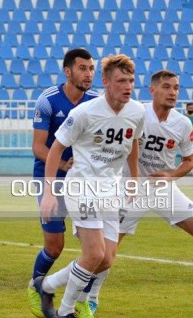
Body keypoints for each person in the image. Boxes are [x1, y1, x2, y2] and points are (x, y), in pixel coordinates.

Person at [34, 54, 145, 318]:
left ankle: (46, 285)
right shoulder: (84, 112)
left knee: (106, 259)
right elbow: (55, 149)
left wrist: (133, 180)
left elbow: (133, 144)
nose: (127, 86)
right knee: (94, 253)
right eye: (121, 81)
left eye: (130, 80)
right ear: (106, 82)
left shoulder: (137, 111)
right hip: (81, 187)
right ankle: (65, 311)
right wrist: (50, 192)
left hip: (110, 189)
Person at [87, 70, 193, 313]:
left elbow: (189, 159)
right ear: (152, 90)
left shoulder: (182, 123)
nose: (173, 92)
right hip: (130, 189)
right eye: (166, 87)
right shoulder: (136, 113)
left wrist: (171, 175)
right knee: (107, 253)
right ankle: (91, 297)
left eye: (176, 88)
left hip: (163, 188)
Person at [28, 49, 98, 318]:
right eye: (82, 68)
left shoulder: (96, 101)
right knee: (55, 245)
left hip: (83, 181)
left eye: (91, 68)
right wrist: (63, 165)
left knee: (94, 247)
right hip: (52, 178)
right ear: (67, 71)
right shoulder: (48, 100)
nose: (88, 74)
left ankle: (82, 299)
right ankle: (36, 289)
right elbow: (38, 147)